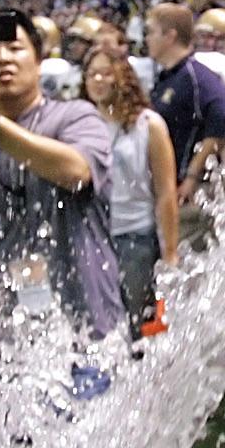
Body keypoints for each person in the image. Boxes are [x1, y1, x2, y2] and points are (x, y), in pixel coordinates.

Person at [0, 9, 125, 336]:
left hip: (87, 321)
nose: (2, 58)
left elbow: (78, 171)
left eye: (14, 47)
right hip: (7, 333)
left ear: (39, 61)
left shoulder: (74, 116)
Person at [82, 47, 179, 332]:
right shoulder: (80, 125)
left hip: (136, 237)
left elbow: (165, 191)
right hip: (94, 236)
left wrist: (170, 251)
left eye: (106, 73)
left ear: (123, 77)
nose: (98, 80)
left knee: (138, 322)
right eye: (92, 74)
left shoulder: (148, 125)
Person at [144, 2, 225, 231]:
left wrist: (192, 176)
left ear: (170, 36)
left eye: (150, 32)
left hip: (185, 198)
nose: (146, 39)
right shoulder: (168, 77)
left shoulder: (195, 77)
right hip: (164, 192)